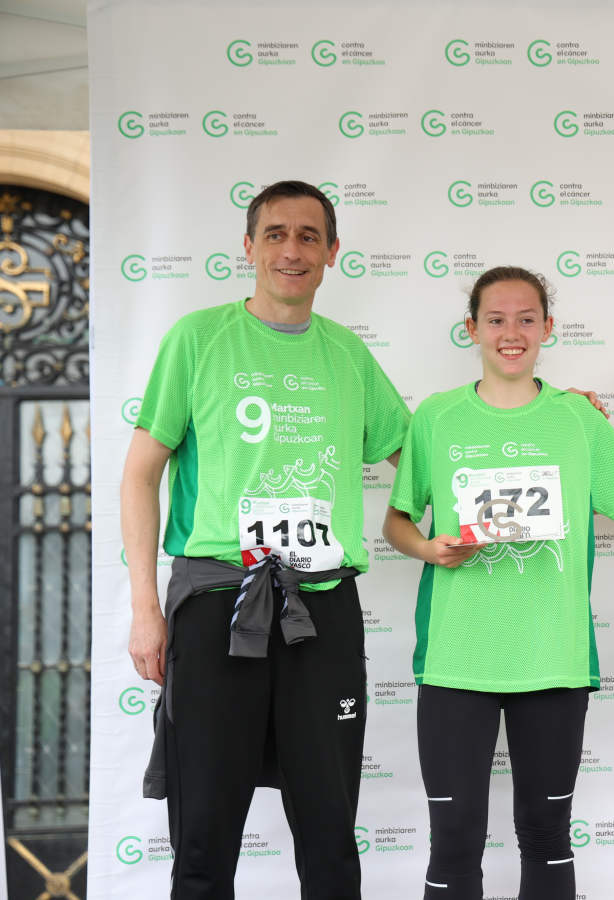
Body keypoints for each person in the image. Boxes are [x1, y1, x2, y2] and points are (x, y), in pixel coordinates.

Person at [121, 180, 411, 898]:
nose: (292, 249)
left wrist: (535, 418)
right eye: (276, 234)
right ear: (248, 248)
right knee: (205, 838)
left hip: (325, 611)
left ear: (332, 252)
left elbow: (423, 458)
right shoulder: (198, 339)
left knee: (330, 837)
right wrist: (145, 610)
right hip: (220, 601)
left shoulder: (348, 355)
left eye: (309, 236)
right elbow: (138, 477)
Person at [382, 266, 614, 900]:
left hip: (552, 657)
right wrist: (426, 547)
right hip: (456, 659)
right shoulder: (437, 418)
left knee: (547, 836)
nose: (512, 332)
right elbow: (397, 520)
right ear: (472, 328)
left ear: (548, 328)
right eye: (497, 319)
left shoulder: (575, 419)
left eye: (527, 318)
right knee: (453, 844)